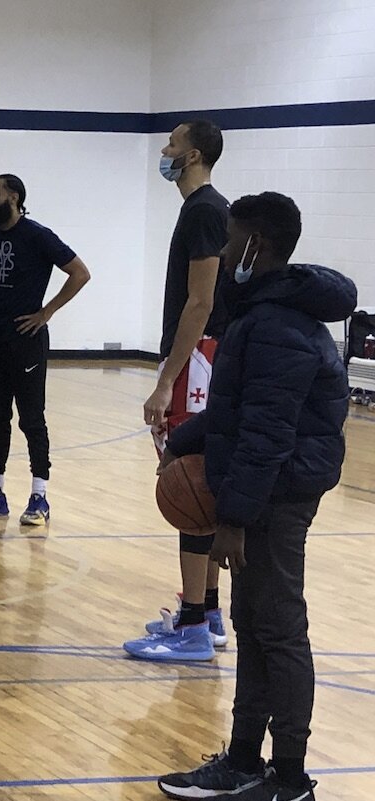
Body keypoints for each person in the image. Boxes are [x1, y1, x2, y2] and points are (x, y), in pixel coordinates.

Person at [154, 192, 353, 801]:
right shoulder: (264, 314)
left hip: (276, 495)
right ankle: (244, 761)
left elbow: (266, 433)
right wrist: (181, 440)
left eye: (230, 238)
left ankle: (288, 776)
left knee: (279, 630)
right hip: (266, 488)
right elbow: (234, 411)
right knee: (255, 624)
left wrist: (233, 519)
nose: (221, 250)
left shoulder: (276, 326)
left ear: (254, 246)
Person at [125, 119, 233, 661]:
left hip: (199, 361)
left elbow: (201, 302)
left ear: (191, 155)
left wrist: (166, 379)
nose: (163, 152)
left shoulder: (207, 210)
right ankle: (207, 611)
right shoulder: (202, 210)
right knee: (200, 481)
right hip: (199, 358)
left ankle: (193, 626)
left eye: (170, 144)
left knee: (190, 481)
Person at [0, 174, 91, 525]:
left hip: (26, 340)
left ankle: (39, 496)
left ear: (14, 196)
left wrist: (47, 312)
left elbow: (80, 273)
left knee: (31, 418)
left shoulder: (37, 235)